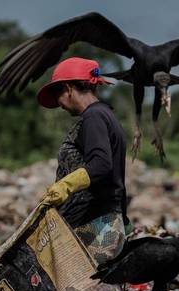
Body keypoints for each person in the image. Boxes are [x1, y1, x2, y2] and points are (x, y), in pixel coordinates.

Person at [38, 57, 128, 264]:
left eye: (57, 94)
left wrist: (65, 185)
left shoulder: (93, 117)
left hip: (96, 226)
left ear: (69, 88)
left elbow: (102, 164)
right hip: (107, 223)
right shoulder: (106, 114)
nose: (59, 104)